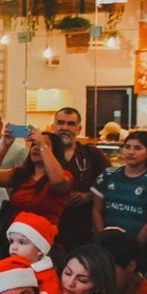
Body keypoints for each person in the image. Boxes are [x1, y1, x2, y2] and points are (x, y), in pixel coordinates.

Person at [0, 124, 72, 224]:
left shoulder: (64, 175)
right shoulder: (22, 173)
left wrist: (42, 144)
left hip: (43, 235)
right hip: (16, 234)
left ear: (55, 151)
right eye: (34, 144)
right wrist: (5, 146)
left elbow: (57, 182)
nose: (35, 147)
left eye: (42, 144)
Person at [50, 105, 111, 247]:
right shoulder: (43, 154)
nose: (65, 127)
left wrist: (88, 195)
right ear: (54, 126)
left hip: (82, 228)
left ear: (79, 128)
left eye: (71, 124)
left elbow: (109, 183)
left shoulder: (92, 154)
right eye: (60, 123)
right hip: (50, 227)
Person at [91, 128, 147, 240]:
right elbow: (96, 211)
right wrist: (102, 239)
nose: (131, 152)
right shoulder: (108, 175)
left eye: (138, 148)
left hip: (138, 247)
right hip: (105, 243)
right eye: (127, 147)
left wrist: (134, 247)